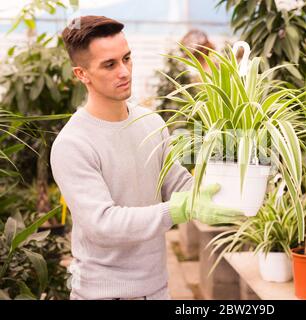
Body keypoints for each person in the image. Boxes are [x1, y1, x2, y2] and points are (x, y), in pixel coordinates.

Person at [50, 15, 243, 300]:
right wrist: (177, 211)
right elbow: (103, 224)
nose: (124, 71)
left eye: (127, 58)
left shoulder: (151, 123)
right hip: (103, 294)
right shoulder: (73, 144)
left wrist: (228, 184)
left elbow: (176, 182)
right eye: (110, 64)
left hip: (157, 290)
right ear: (81, 74)